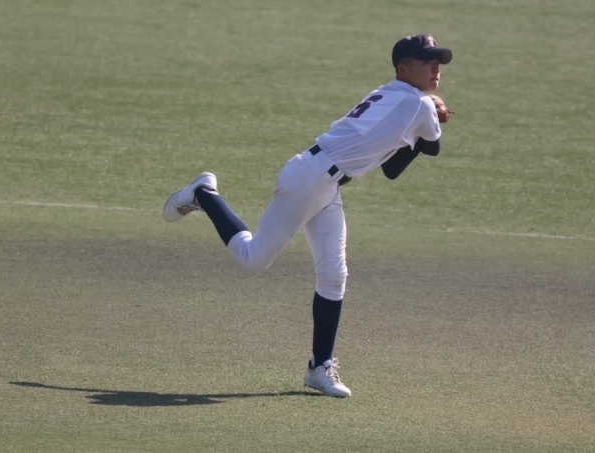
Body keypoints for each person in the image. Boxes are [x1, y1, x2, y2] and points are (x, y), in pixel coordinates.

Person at [163, 34, 453, 398]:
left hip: (323, 182)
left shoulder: (392, 94)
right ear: (404, 69)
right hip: (309, 181)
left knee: (334, 275)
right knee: (252, 258)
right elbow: (432, 148)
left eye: (437, 62)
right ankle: (204, 194)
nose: (435, 68)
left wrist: (429, 116)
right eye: (427, 62)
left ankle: (319, 367)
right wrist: (435, 113)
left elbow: (391, 169)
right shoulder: (419, 105)